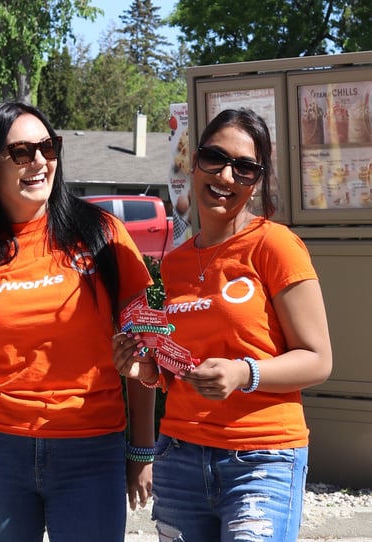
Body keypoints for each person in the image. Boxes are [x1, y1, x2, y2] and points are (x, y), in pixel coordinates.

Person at [0, 101, 156, 542]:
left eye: (48, 147)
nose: (40, 162)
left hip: (91, 448)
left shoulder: (103, 235)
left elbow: (143, 353)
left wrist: (142, 449)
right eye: (22, 152)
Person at [113, 108, 333, 542]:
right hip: (179, 453)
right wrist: (147, 371)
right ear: (194, 162)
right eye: (215, 158)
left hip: (262, 457)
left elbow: (319, 359)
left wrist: (244, 373)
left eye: (244, 168)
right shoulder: (174, 263)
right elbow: (186, 369)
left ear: (257, 182)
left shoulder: (275, 245)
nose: (226, 176)